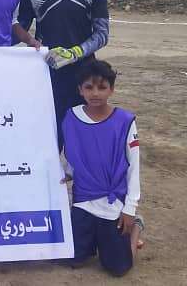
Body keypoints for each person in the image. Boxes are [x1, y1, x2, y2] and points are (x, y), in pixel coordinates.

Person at [16, 0, 109, 148]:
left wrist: (75, 52)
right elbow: (18, 28)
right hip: (47, 76)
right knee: (48, 141)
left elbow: (102, 34)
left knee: (83, 143)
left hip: (85, 78)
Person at [61, 59, 142, 277]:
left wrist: (130, 209)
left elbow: (133, 166)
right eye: (89, 87)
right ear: (80, 90)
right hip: (83, 199)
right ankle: (92, 239)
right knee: (73, 259)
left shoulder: (125, 121)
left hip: (112, 202)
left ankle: (136, 228)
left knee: (118, 268)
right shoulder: (71, 117)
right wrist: (67, 173)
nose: (95, 93)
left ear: (111, 90)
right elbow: (73, 153)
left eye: (102, 87)